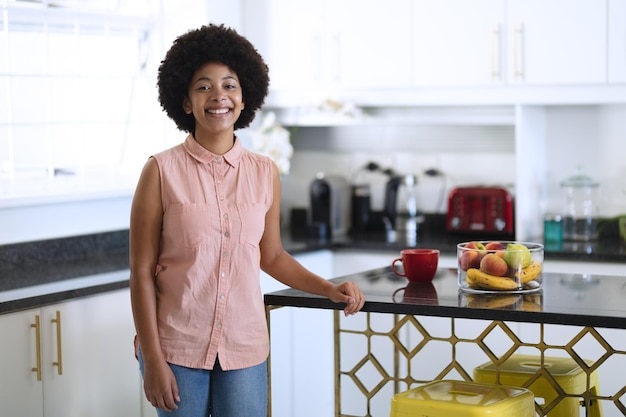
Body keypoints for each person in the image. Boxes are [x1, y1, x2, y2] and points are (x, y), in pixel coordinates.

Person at [129, 24, 365, 417]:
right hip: (176, 346)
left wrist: (328, 288)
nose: (218, 96)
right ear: (186, 102)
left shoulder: (264, 172)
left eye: (229, 85)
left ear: (243, 97)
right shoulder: (160, 171)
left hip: (244, 347)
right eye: (203, 86)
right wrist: (152, 360)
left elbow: (271, 256)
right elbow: (139, 272)